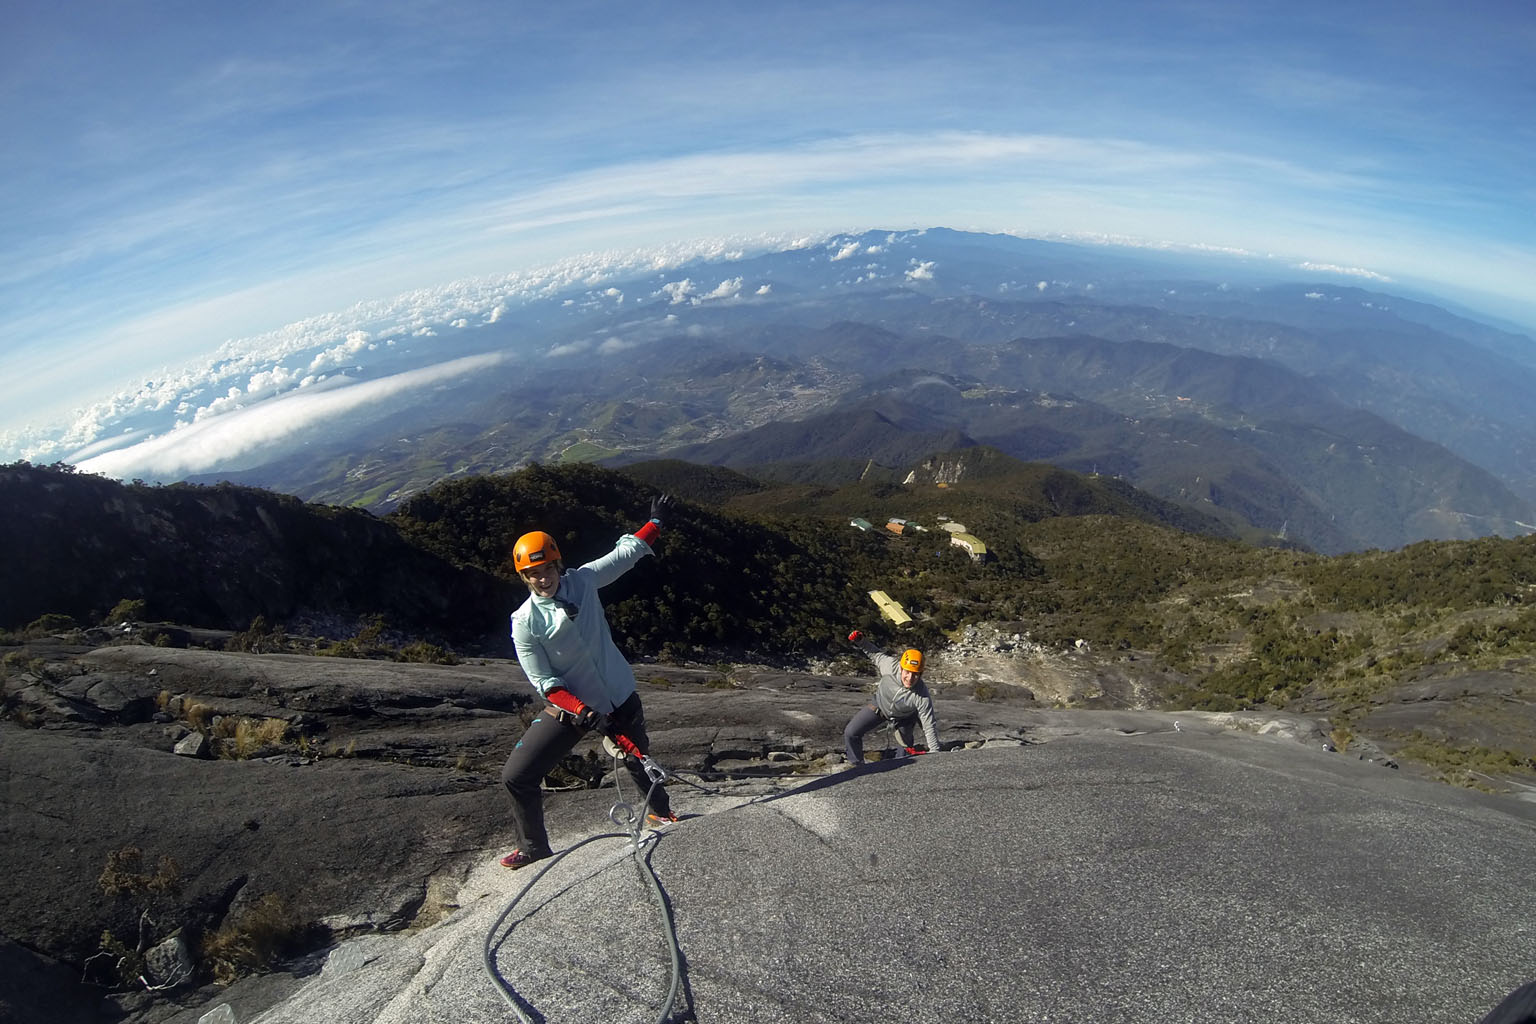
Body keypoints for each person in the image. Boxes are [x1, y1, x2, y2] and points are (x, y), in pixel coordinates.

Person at [498, 494, 677, 869]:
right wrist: (584, 711)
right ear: (523, 577)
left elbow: (626, 553)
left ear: (557, 564)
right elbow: (545, 682)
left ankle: (659, 812)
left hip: (618, 692)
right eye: (532, 574)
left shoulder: (582, 581)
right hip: (572, 706)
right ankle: (533, 847)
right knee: (517, 775)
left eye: (546, 569)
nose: (541, 579)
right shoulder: (525, 622)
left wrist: (656, 523)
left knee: (637, 755)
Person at [842, 630, 941, 766]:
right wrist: (861, 640)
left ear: (921, 674)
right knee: (851, 732)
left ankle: (900, 777)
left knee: (905, 750)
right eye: (907, 672)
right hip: (879, 707)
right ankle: (857, 767)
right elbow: (875, 654)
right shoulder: (889, 666)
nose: (910, 678)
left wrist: (935, 752)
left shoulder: (922, 695)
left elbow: (928, 724)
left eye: (915, 674)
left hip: (905, 717)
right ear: (901, 668)